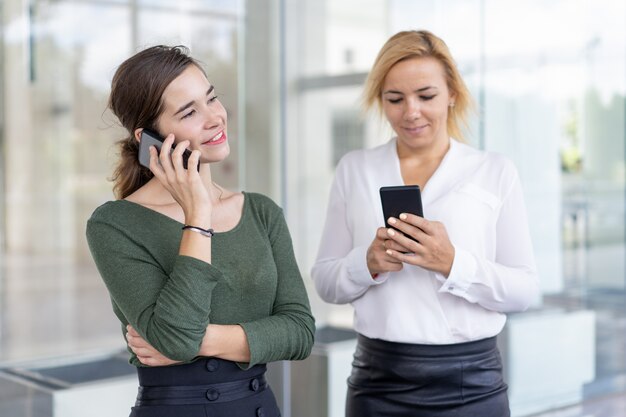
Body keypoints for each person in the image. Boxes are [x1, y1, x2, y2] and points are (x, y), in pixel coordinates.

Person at [311, 30, 539, 417]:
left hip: (473, 384)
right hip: (377, 380)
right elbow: (325, 282)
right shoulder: (355, 169)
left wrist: (452, 262)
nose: (410, 112)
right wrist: (366, 263)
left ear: (452, 93)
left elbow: (524, 290)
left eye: (426, 96)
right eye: (394, 99)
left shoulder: (494, 171)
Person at [86, 45, 315, 417]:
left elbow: (300, 333)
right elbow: (176, 334)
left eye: (212, 99)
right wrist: (198, 215)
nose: (215, 118)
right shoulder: (115, 224)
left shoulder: (261, 212)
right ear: (150, 139)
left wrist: (201, 340)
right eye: (190, 112)